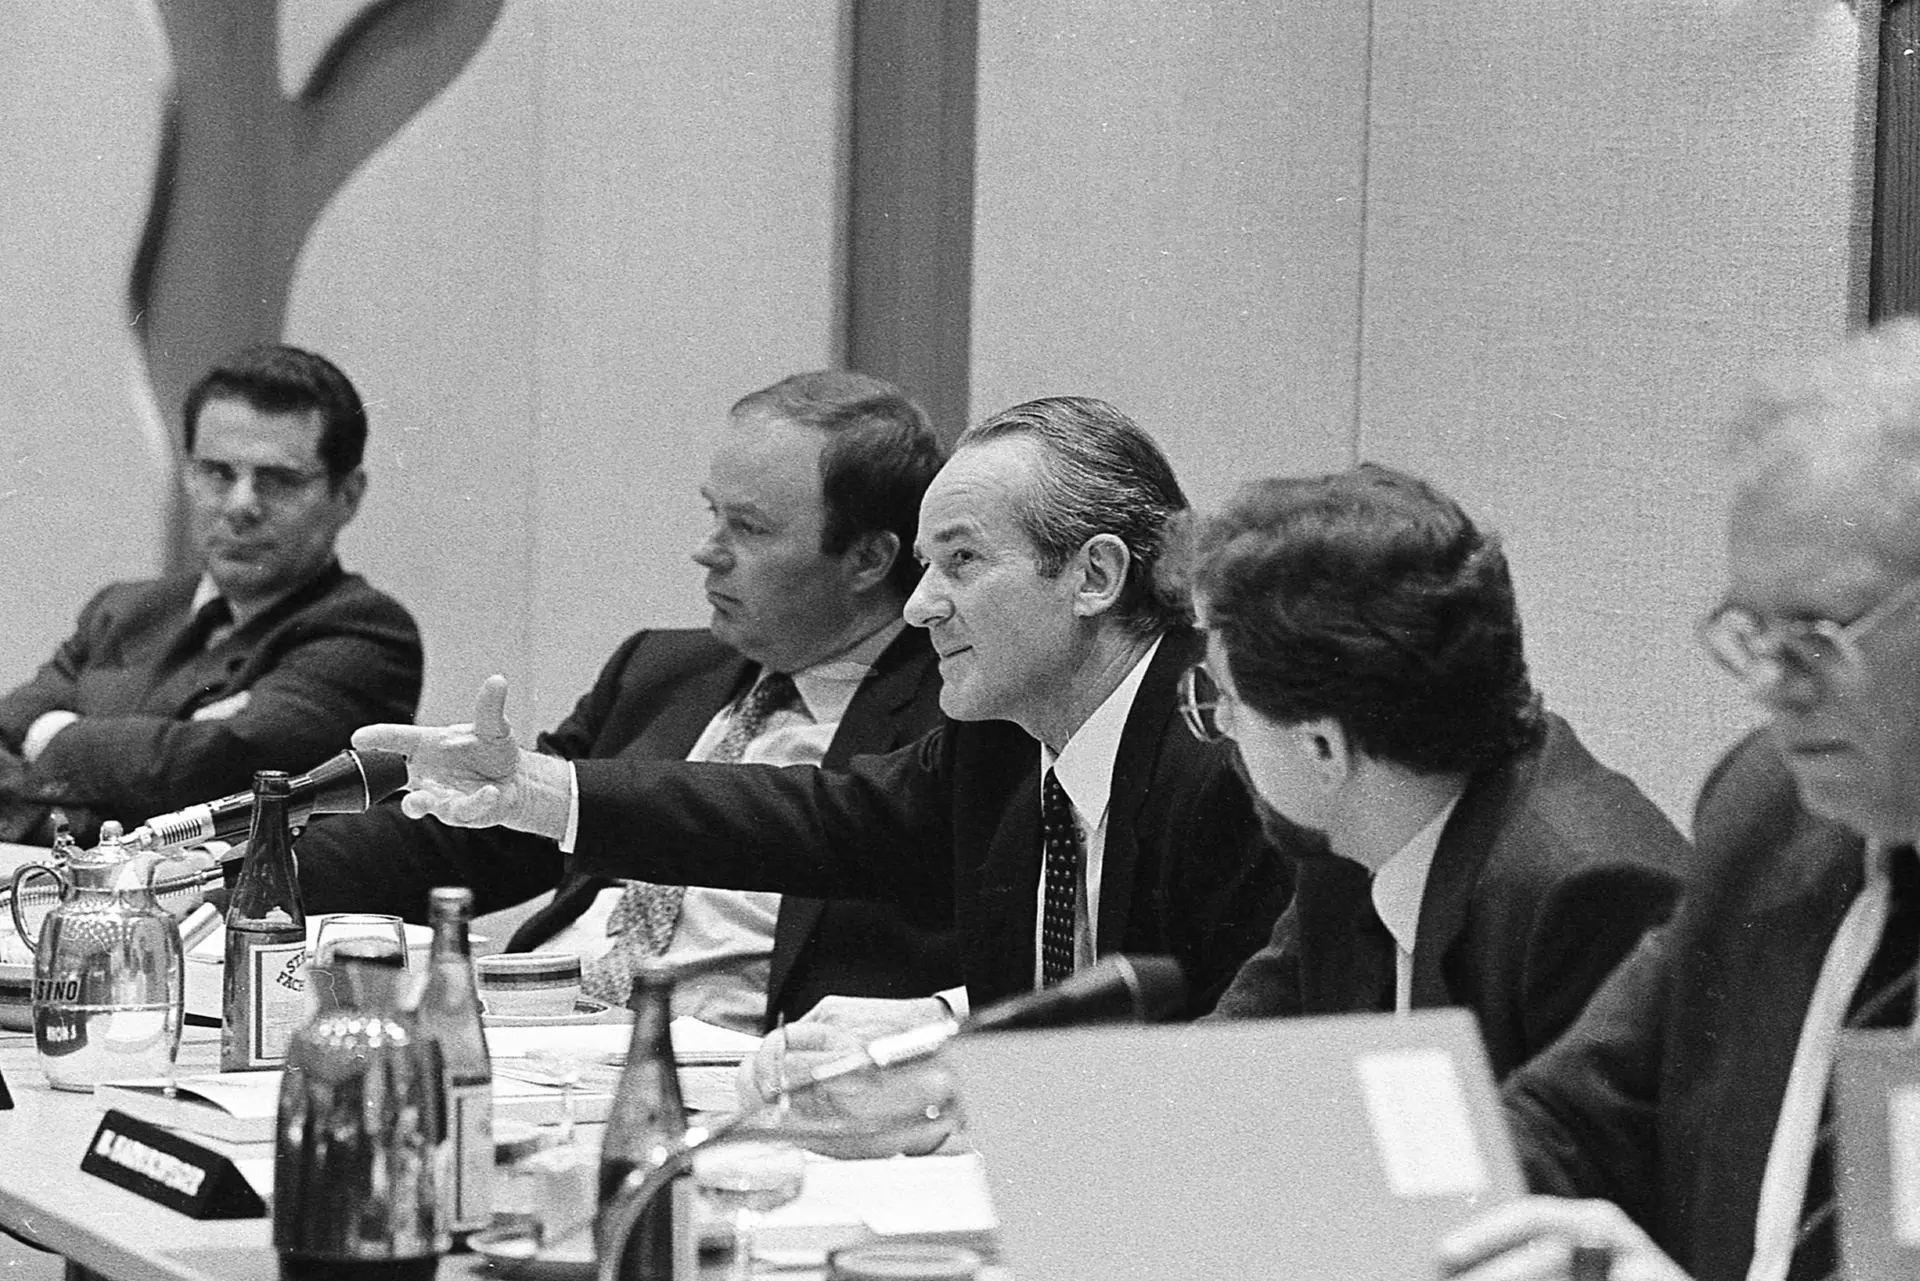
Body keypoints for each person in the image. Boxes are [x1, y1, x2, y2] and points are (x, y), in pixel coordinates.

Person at [359, 396, 1294, 1062]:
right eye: (926, 565)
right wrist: (533, 788)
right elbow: (811, 818)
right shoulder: (1005, 747)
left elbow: (1237, 1060)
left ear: (1094, 577)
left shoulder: (1227, 759)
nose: (922, 605)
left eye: (961, 562)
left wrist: (950, 1060)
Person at [1439, 321, 1920, 1281]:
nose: (1774, 686)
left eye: (1821, 633)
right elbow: (1562, 1126)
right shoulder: (1770, 813)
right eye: (1753, 632)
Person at [296, 370, 958, 1034]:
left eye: (749, 528)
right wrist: (254, 872)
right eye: (713, 513)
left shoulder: (947, 725)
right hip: (534, 1028)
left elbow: (789, 823)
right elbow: (488, 829)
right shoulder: (664, 669)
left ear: (869, 557)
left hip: (705, 1070)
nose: (707, 551)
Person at [1185, 465, 1686, 1078]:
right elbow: (1222, 1069)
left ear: (1322, 749)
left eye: (1229, 704)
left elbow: (1567, 1160)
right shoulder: (1352, 840)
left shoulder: (1585, 895)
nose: (1223, 727)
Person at [0, 343, 420, 845]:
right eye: (218, 473)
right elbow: (6, 728)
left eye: (279, 480)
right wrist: (75, 821)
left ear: (346, 496)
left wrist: (50, 739)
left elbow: (208, 773)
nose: (241, 506)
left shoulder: (368, 635)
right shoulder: (123, 611)